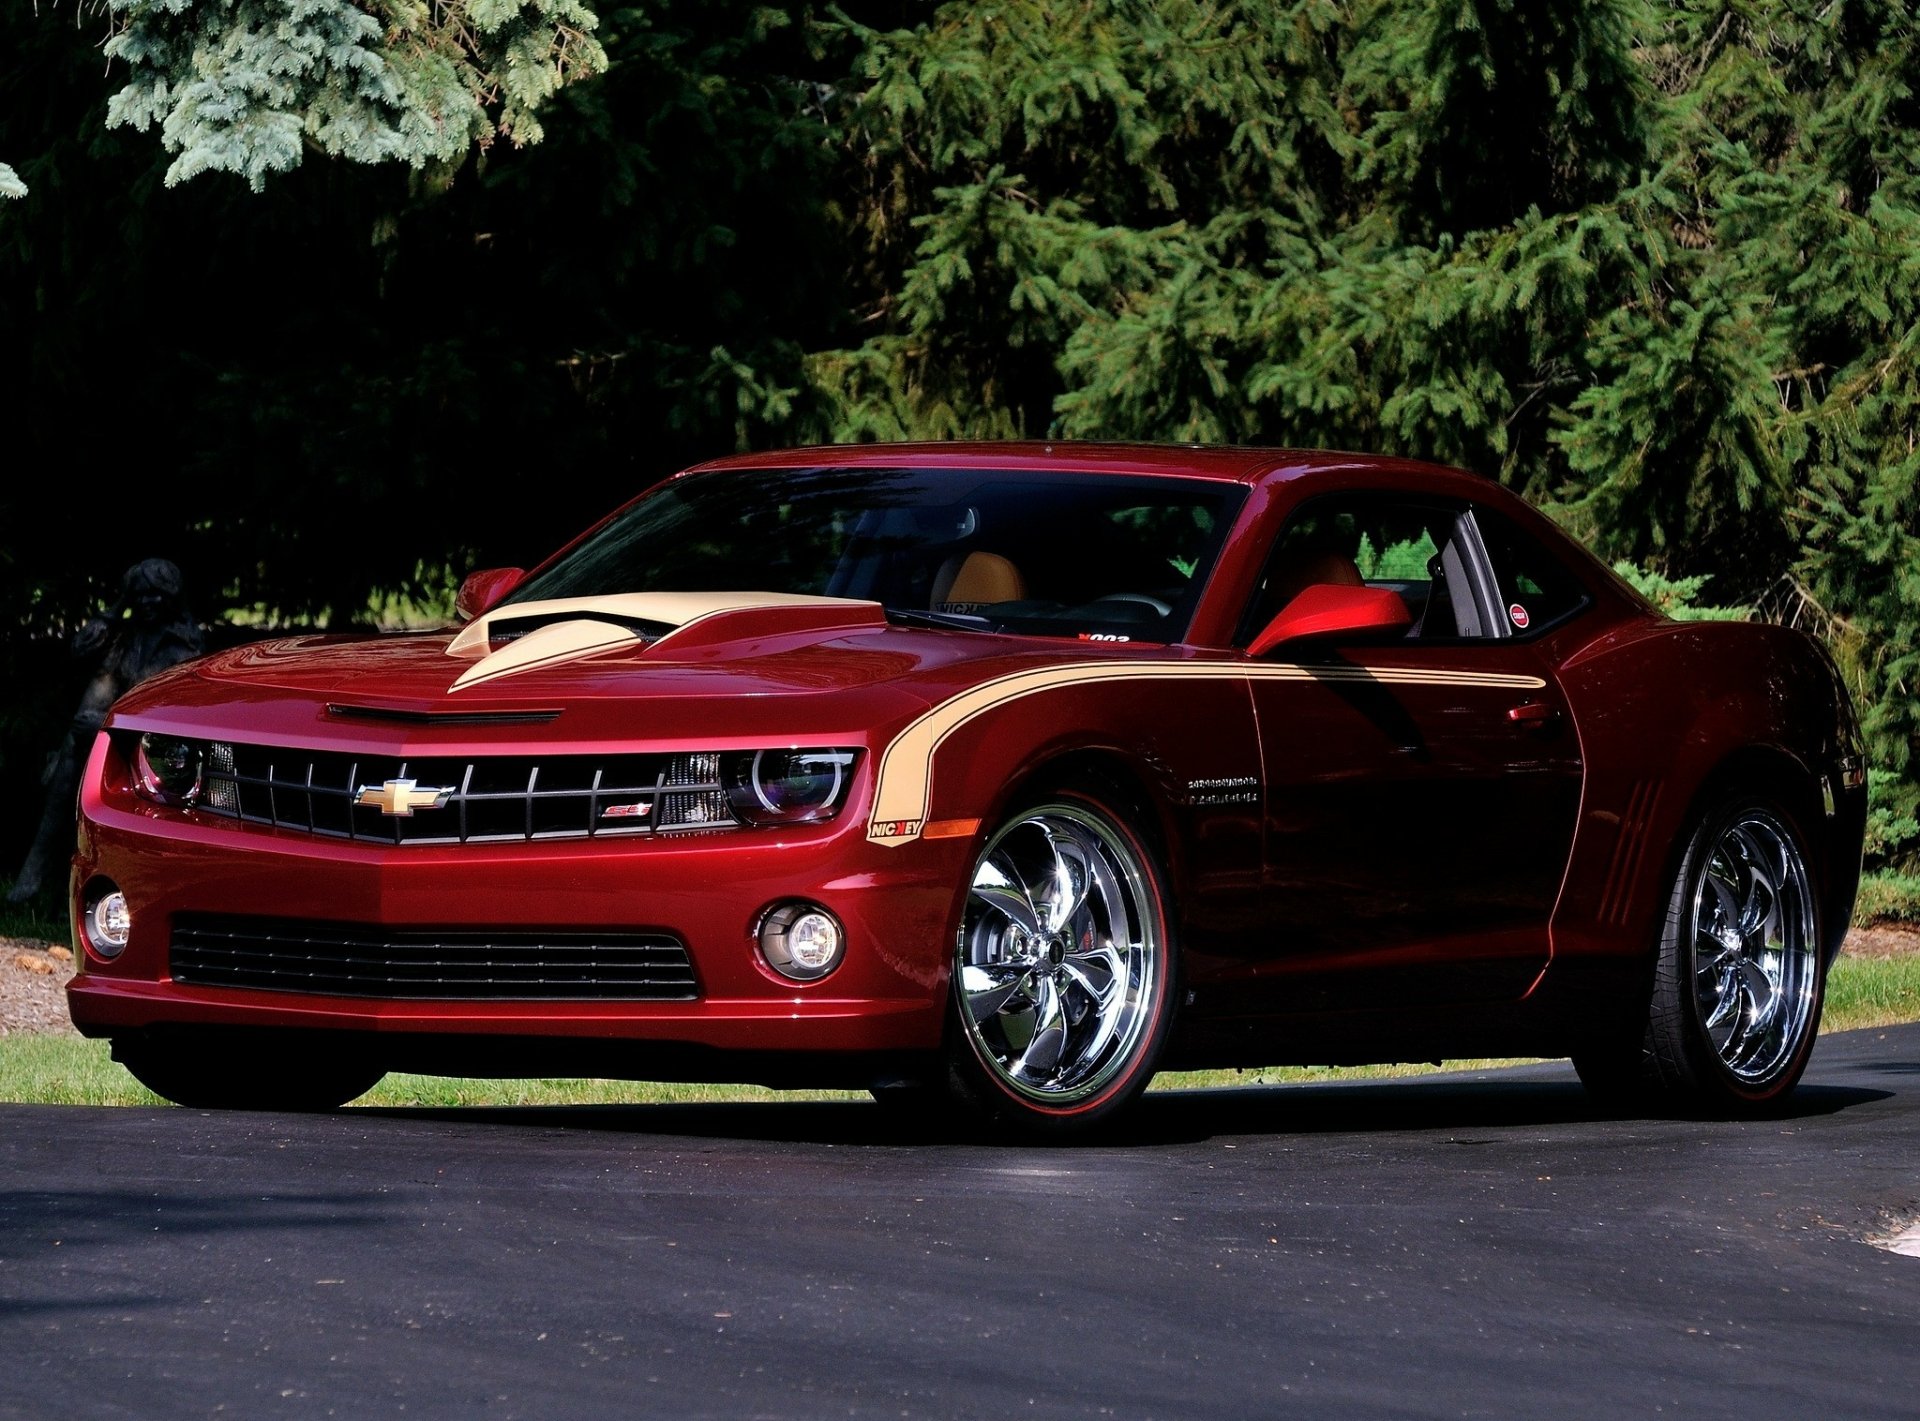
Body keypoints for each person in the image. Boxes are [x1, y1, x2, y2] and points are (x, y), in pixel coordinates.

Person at [8, 560, 205, 903]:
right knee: (75, 743)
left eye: (154, 596)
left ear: (170, 598)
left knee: (78, 746)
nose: (146, 604)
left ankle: (37, 878)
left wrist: (103, 724)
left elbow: (166, 710)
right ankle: (36, 879)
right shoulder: (124, 638)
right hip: (111, 739)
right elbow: (81, 651)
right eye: (139, 596)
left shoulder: (184, 645)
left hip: (158, 753)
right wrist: (116, 609)